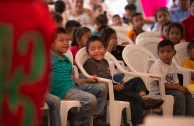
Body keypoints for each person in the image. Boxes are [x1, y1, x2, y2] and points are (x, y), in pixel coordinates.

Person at [83, 36, 164, 126]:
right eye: (93, 49)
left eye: (100, 48)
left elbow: (110, 78)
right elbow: (96, 82)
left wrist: (117, 83)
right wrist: (113, 87)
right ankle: (138, 123)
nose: (97, 51)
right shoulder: (90, 62)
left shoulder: (104, 61)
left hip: (114, 87)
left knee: (137, 80)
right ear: (88, 52)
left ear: (105, 49)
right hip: (107, 92)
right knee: (135, 97)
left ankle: (144, 98)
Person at [50, 27, 108, 126]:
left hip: (72, 85)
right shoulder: (48, 56)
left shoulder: (67, 60)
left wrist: (88, 80)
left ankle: (96, 118)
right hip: (61, 89)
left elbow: (73, 79)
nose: (66, 43)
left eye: (67, 40)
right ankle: (79, 124)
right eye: (61, 40)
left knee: (102, 87)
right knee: (90, 99)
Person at [149, 39, 194, 116]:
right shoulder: (157, 65)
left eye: (168, 51)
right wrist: (178, 88)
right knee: (180, 96)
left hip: (170, 89)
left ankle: (189, 119)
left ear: (174, 53)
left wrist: (180, 87)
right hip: (159, 91)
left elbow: (175, 82)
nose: (165, 54)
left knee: (188, 94)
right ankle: (178, 121)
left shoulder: (172, 65)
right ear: (158, 54)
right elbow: (161, 84)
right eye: (162, 52)